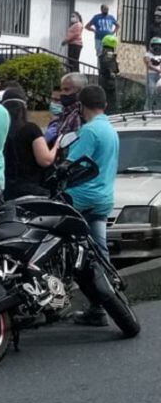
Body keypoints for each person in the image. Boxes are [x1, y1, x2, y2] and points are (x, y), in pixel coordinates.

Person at [65, 85, 119, 327]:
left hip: (80, 198)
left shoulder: (90, 131)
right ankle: (107, 300)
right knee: (100, 249)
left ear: (81, 106)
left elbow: (71, 162)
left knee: (65, 249)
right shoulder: (111, 129)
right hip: (104, 198)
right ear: (105, 105)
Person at [0, 88, 56, 199]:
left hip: (5, 188)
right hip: (30, 190)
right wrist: (56, 146)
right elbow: (45, 160)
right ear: (24, 108)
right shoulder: (31, 129)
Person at [49, 73, 87, 147]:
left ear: (80, 92)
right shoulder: (65, 113)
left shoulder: (79, 115)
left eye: (66, 89)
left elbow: (76, 146)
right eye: (61, 89)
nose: (62, 93)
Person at [98, 34, 120, 111]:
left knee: (104, 99)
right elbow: (110, 67)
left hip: (103, 79)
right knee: (111, 102)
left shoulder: (103, 53)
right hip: (108, 81)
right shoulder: (109, 55)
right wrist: (112, 73)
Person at [144, 38, 161, 111]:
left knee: (159, 95)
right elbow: (148, 65)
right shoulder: (147, 54)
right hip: (151, 76)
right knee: (151, 93)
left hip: (160, 76)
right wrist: (158, 69)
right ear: (151, 46)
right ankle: (147, 110)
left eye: (159, 45)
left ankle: (158, 110)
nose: (157, 47)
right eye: (155, 45)